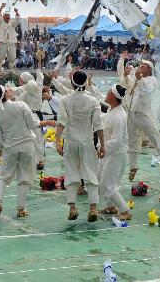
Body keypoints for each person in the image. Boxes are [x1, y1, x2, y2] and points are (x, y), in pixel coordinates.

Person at [56, 70, 104, 222]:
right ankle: (93, 208)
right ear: (85, 83)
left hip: (71, 142)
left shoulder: (65, 100)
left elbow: (61, 121)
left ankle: (72, 208)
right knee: (90, 174)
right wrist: (102, 145)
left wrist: (57, 141)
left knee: (71, 174)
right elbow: (98, 125)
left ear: (72, 82)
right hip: (87, 142)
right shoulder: (93, 101)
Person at [0, 84, 39, 218]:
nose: (10, 90)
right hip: (27, 146)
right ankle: (21, 209)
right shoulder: (21, 105)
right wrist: (44, 123)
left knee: (3, 177)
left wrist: (0, 150)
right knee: (24, 178)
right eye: (7, 90)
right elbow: (32, 124)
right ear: (5, 94)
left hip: (10, 148)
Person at [119, 57, 160, 180]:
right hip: (132, 113)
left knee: (156, 140)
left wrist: (140, 79)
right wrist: (127, 76)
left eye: (143, 66)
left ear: (149, 69)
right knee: (132, 141)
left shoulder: (152, 80)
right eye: (140, 65)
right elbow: (127, 89)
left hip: (143, 114)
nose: (141, 66)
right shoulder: (138, 79)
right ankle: (133, 167)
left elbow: (147, 90)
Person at [98, 84, 131, 221]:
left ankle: (125, 210)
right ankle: (111, 206)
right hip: (109, 152)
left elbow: (116, 140)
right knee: (102, 179)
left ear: (113, 96)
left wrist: (103, 148)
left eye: (108, 92)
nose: (106, 94)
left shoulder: (119, 116)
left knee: (108, 184)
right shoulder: (112, 109)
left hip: (117, 153)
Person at [0, 4, 21, 71]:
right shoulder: (0, 23)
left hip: (11, 42)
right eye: (6, 15)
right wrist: (1, 7)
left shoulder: (12, 23)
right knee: (1, 57)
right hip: (3, 43)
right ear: (3, 17)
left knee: (12, 58)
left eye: (8, 15)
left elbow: (17, 20)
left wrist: (16, 12)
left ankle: (12, 71)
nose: (7, 16)